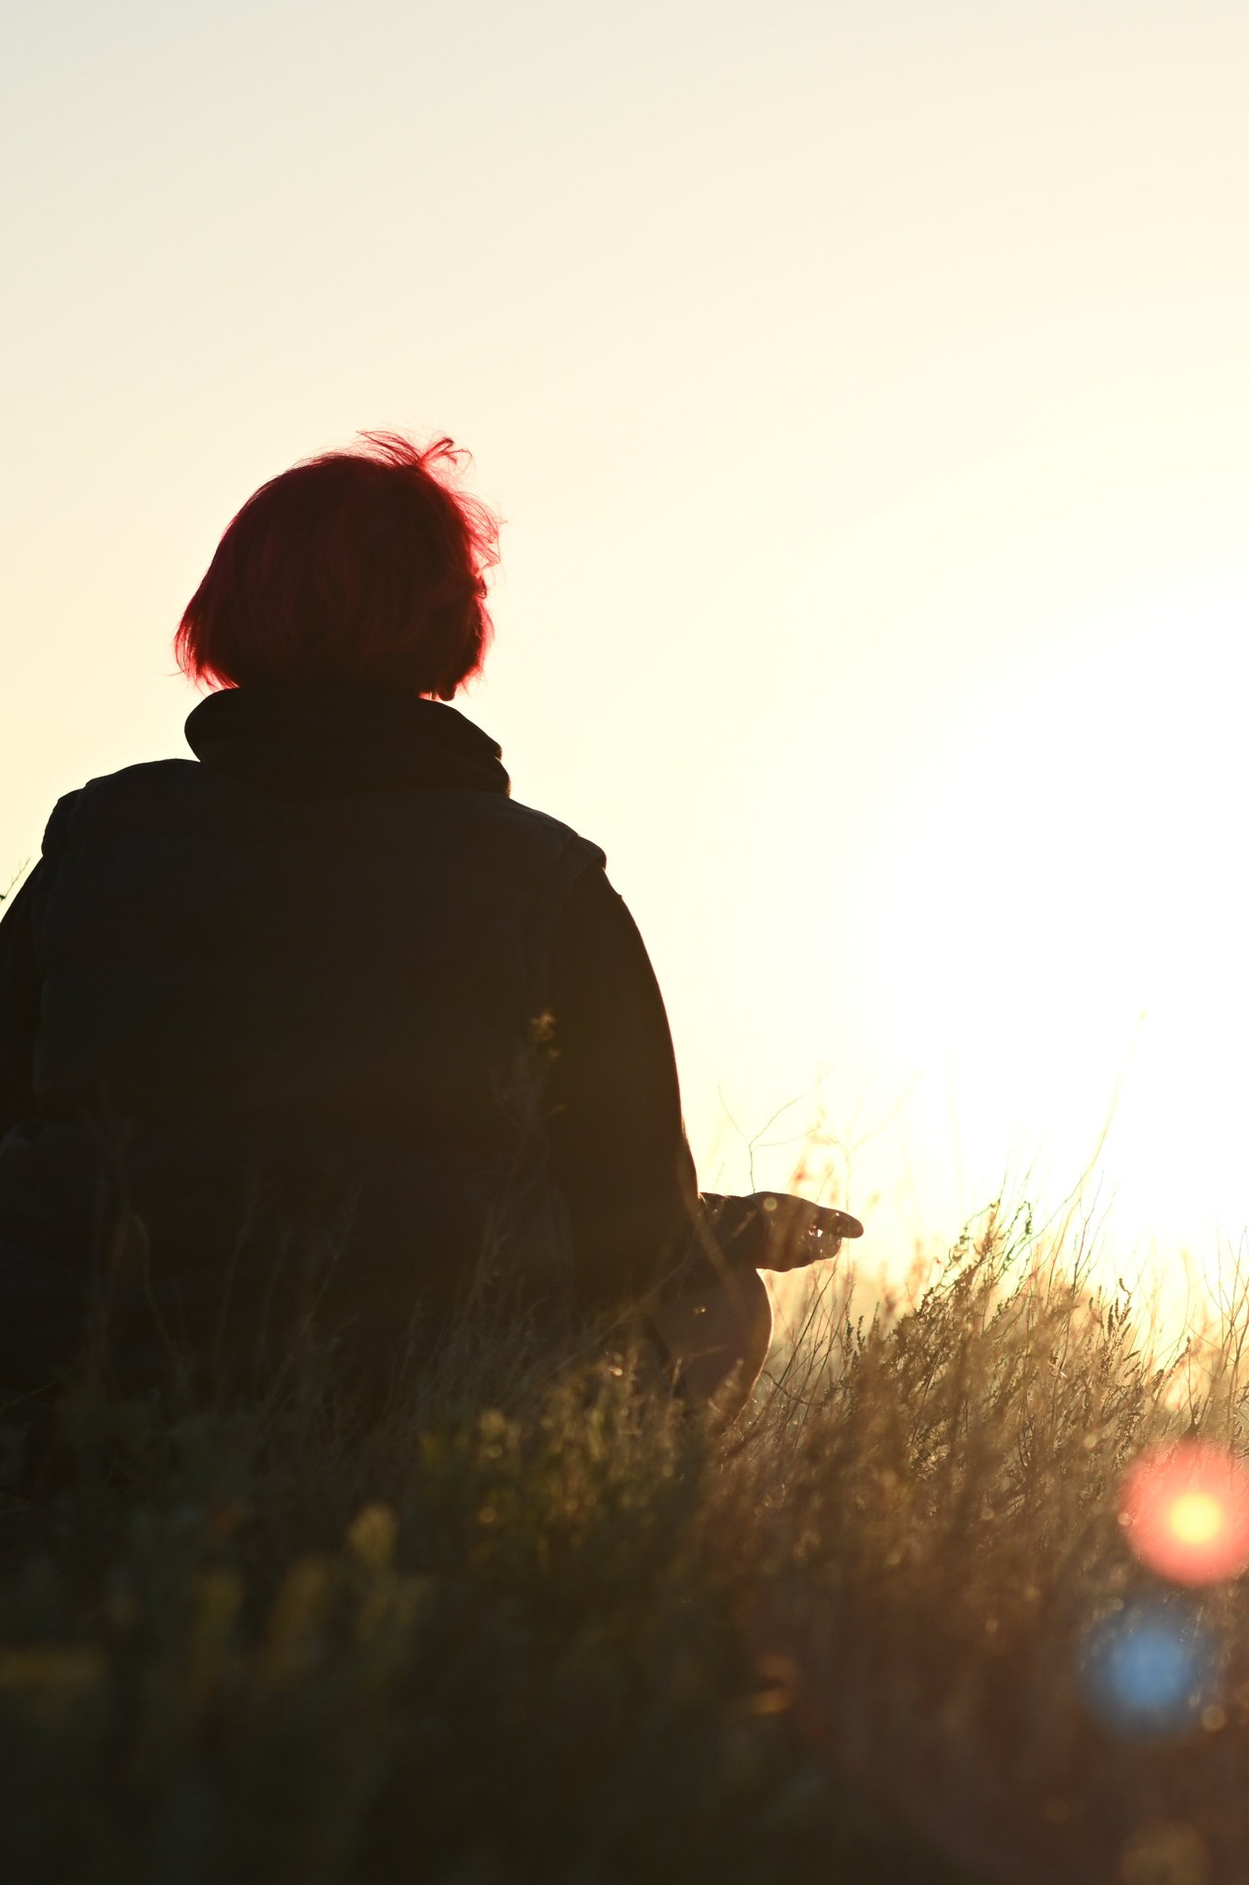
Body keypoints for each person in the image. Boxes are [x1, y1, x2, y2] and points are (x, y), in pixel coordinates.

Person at [0, 433, 854, 1423]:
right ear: (455, 623)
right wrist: (726, 1228)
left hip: (72, 1381)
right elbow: (630, 1221)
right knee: (717, 1299)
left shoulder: (102, 837)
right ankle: (554, 1570)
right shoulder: (543, 882)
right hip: (411, 1399)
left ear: (227, 605)